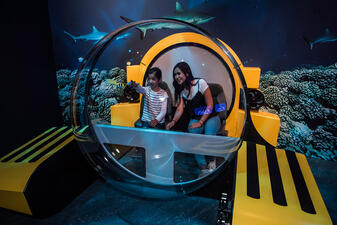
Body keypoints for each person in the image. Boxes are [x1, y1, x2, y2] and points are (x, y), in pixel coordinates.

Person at [166, 62, 220, 175]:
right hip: (196, 117)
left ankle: (211, 159)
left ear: (187, 72)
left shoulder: (201, 83)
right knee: (193, 134)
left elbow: (210, 105)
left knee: (209, 136)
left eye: (179, 73)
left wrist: (201, 122)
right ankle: (203, 167)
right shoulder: (181, 90)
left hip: (210, 116)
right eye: (175, 75)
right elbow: (180, 109)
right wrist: (173, 121)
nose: (177, 77)